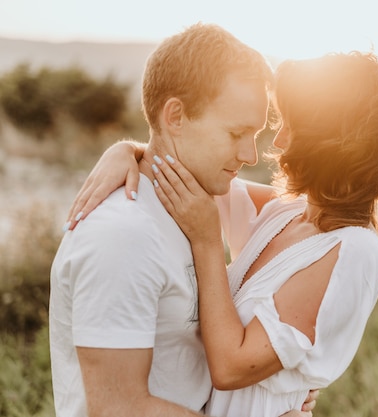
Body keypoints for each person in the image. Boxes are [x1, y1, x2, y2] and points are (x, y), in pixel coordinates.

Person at [66, 52, 378, 416]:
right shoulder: (285, 212)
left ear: (332, 145)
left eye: (292, 129)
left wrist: (207, 242)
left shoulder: (354, 252)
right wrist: (126, 151)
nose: (278, 142)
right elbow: (185, 169)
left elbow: (231, 368)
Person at [49, 23, 316, 417]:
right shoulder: (122, 236)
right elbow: (117, 408)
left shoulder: (192, 205)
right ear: (175, 115)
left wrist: (271, 393)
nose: (250, 155)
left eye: (255, 134)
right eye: (236, 133)